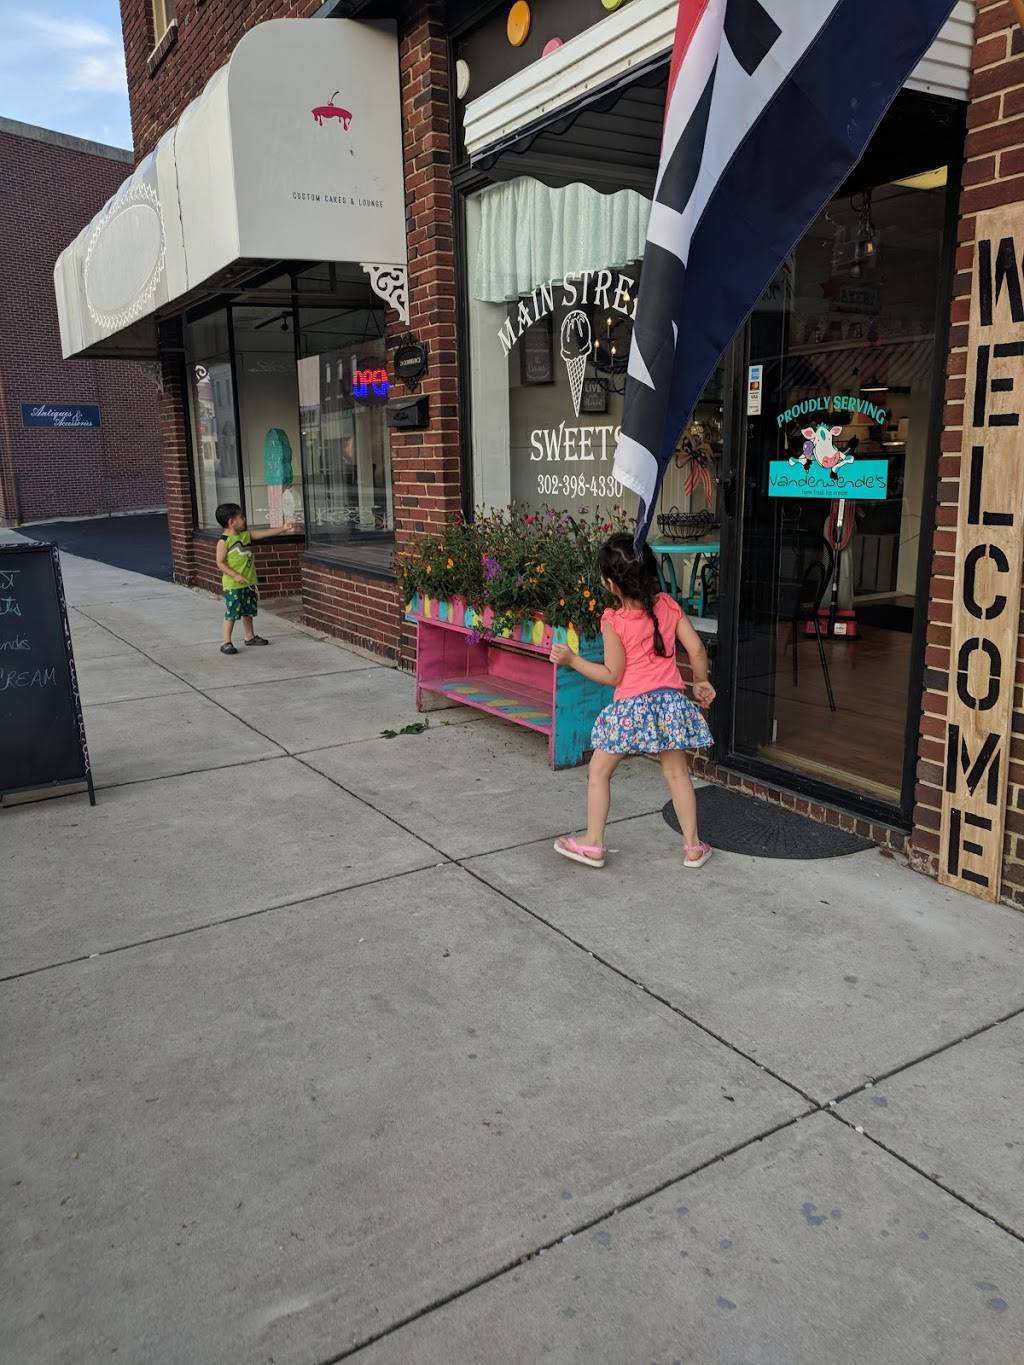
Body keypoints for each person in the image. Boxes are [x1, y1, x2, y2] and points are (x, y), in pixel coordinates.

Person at [550, 532, 715, 869]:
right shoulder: (667, 605)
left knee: (599, 772)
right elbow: (697, 649)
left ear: (612, 584)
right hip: (669, 705)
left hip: (631, 708)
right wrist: (700, 681)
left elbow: (613, 675)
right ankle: (692, 846)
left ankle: (593, 843)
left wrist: (572, 660)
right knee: (677, 774)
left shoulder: (614, 621)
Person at [215, 503, 293, 655]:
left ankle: (249, 636)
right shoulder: (224, 541)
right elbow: (220, 562)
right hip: (233, 585)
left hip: (248, 582)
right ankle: (226, 642)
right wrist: (235, 575)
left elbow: (265, 533)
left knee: (248, 611)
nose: (244, 519)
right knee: (232, 612)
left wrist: (283, 528)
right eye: (241, 517)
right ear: (232, 522)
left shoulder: (245, 535)